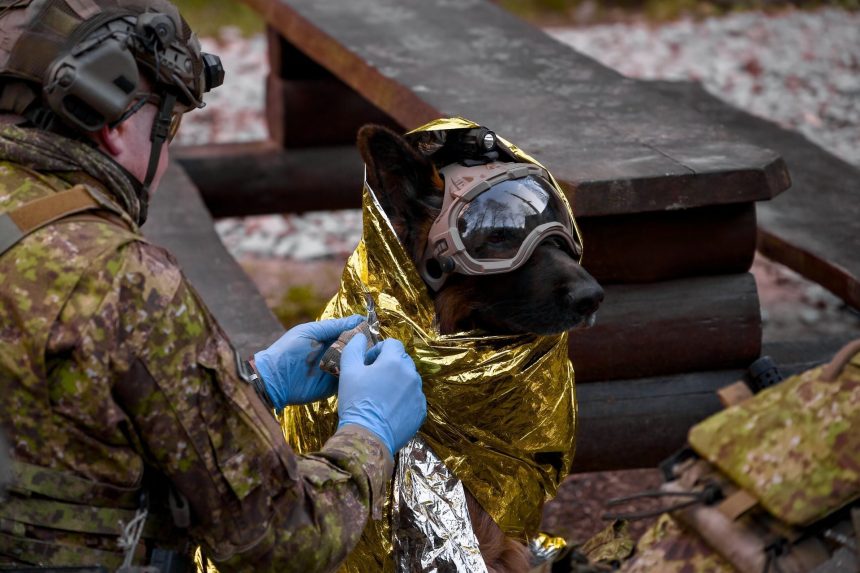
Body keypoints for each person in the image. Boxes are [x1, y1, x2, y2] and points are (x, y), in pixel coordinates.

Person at [0, 1, 426, 571]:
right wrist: (368, 432)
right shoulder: (121, 282)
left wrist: (249, 386)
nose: (166, 155)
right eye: (168, 125)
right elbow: (286, 540)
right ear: (113, 122)